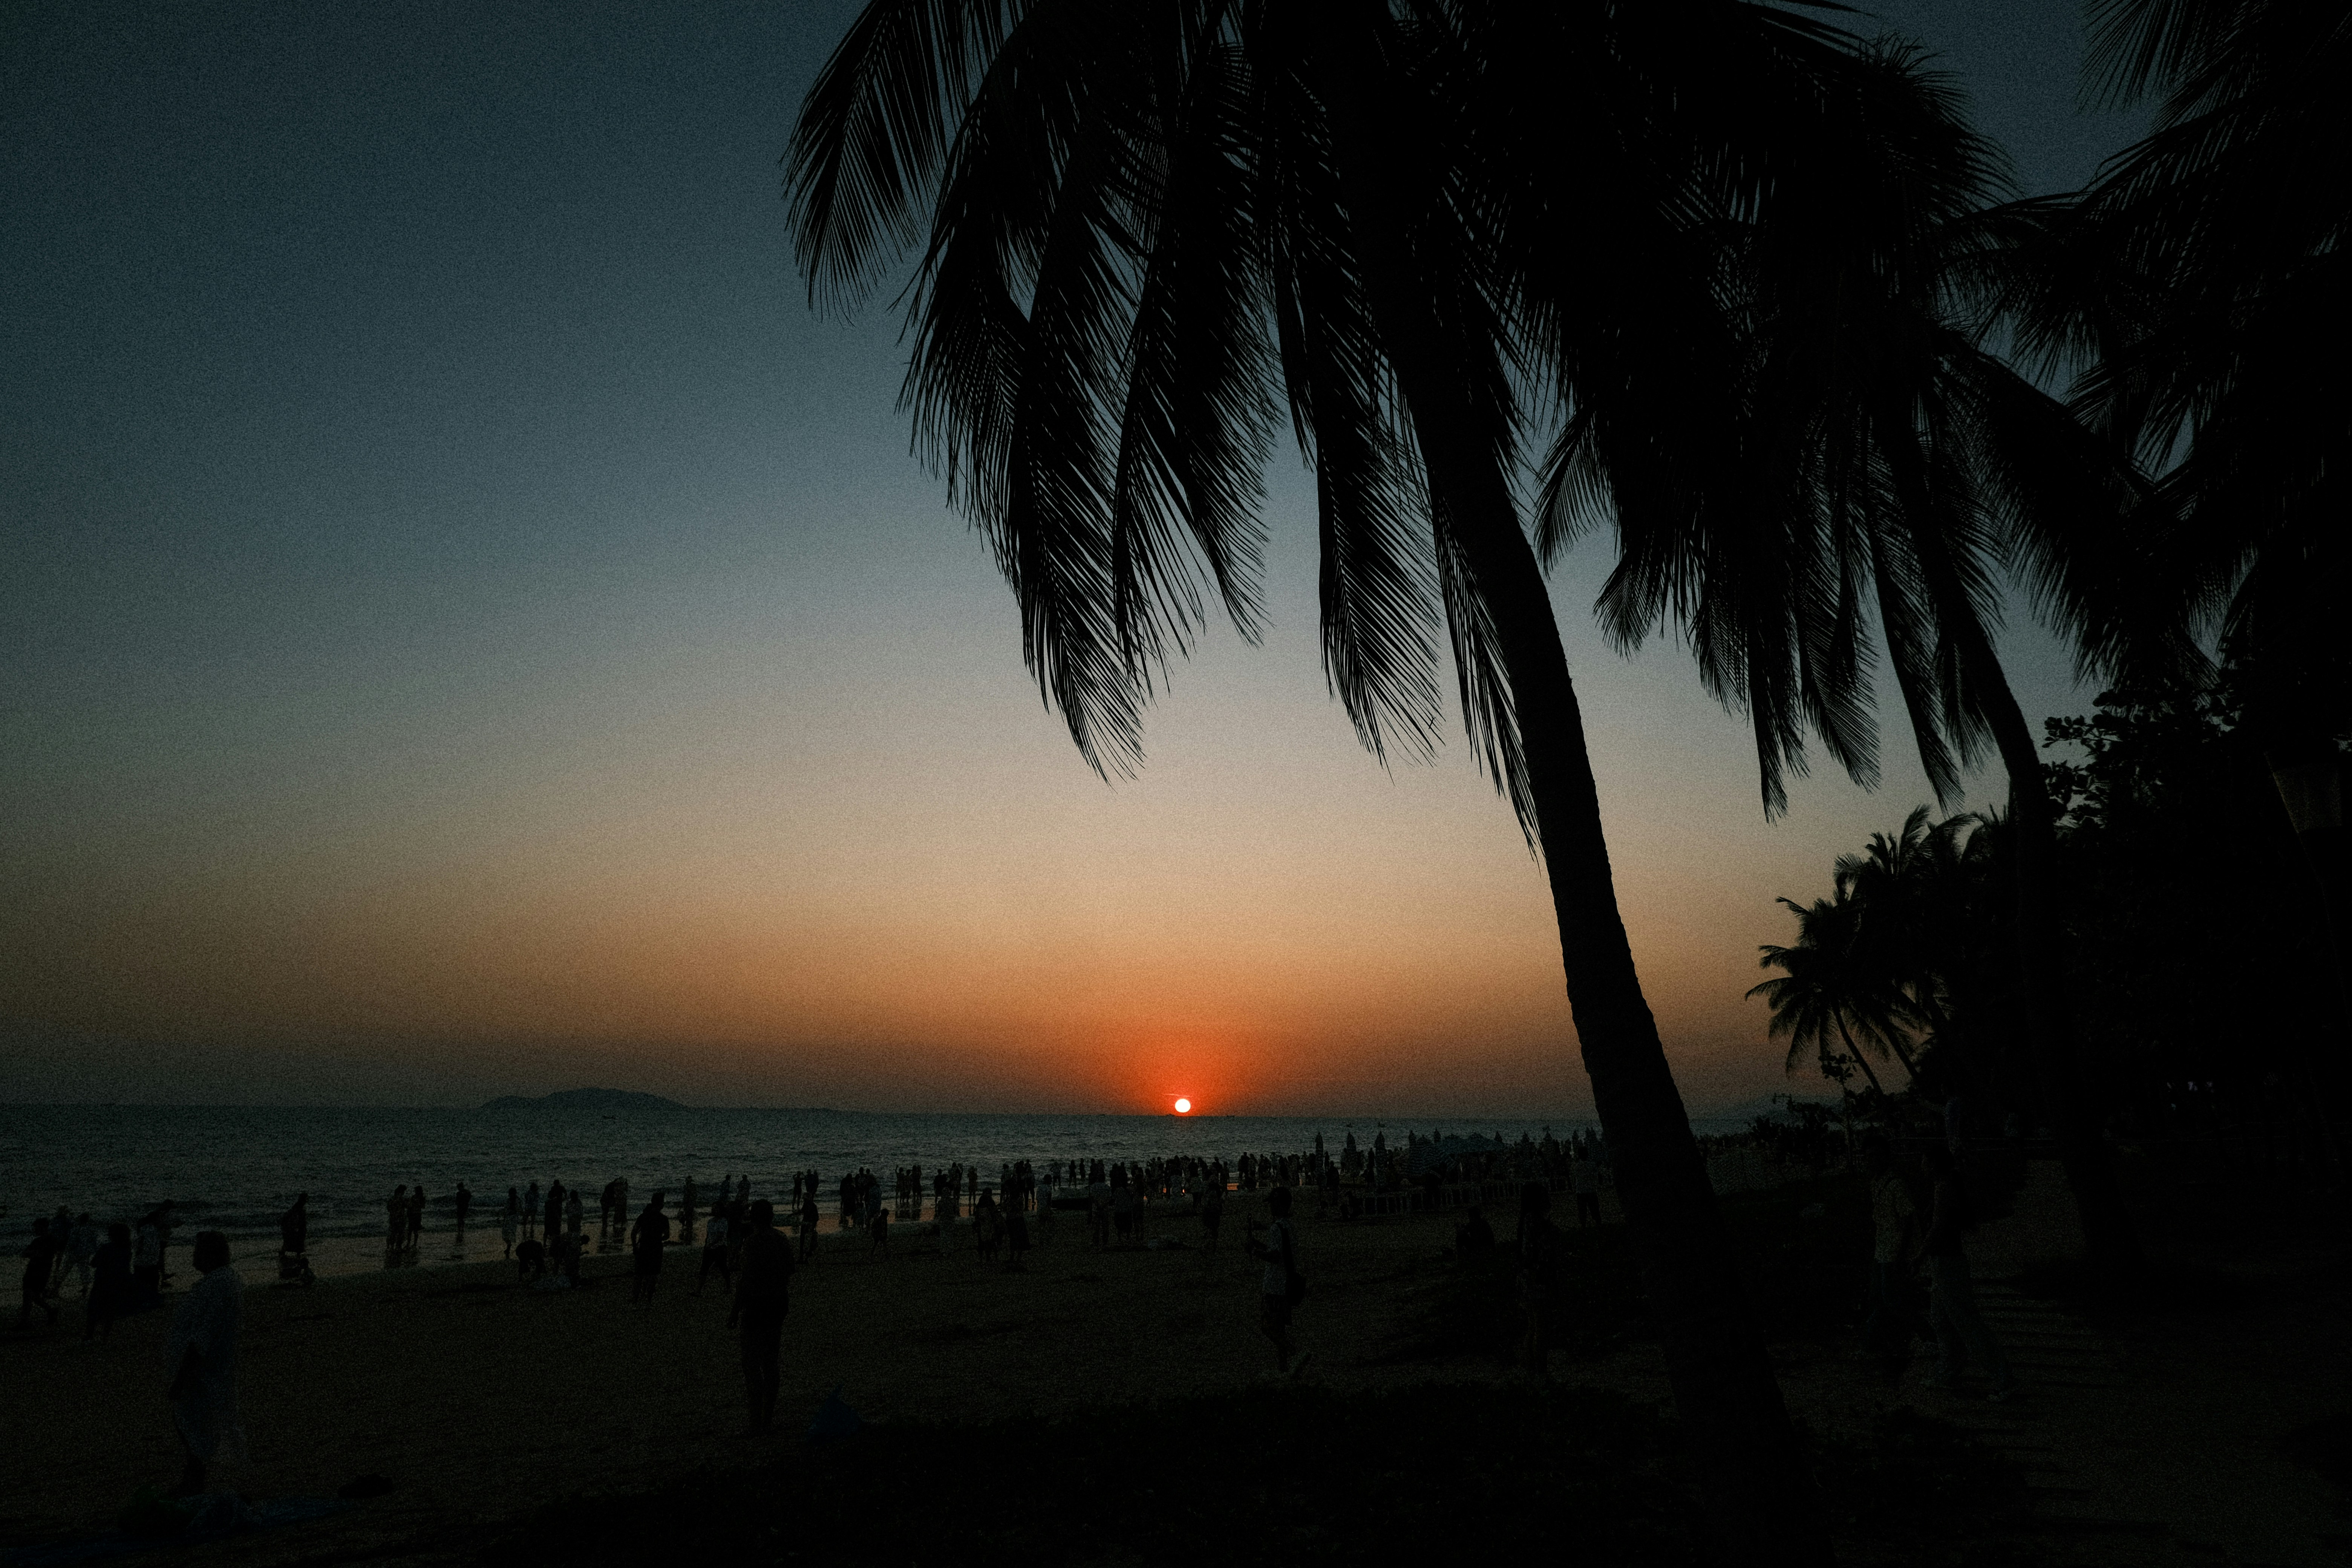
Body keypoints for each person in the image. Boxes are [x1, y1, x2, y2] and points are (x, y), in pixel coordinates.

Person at [1917, 1144, 2015, 1400]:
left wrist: (1918, 1256)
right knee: (1942, 1320)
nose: (1921, 1166)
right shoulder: (1945, 1185)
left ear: (1934, 1164)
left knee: (1967, 1324)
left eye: (1924, 1161)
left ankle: (2004, 1380)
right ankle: (1948, 1372)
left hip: (1948, 1265)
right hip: (1944, 1264)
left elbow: (1938, 1228)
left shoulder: (1943, 1187)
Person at [165, 1232, 247, 1497]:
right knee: (196, 1426)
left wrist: (183, 1377)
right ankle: (195, 1480)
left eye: (197, 1251)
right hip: (206, 1370)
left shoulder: (219, 1285)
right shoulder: (221, 1282)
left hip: (204, 1373)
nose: (193, 1257)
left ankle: (197, 1482)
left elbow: (203, 1336)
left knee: (198, 1427)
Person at [729, 1200, 794, 1435]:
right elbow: (789, 1270)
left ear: (753, 1218)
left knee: (751, 1365)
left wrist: (736, 1310)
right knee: (770, 1361)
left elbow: (745, 1280)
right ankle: (767, 1418)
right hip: (777, 1303)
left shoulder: (752, 1243)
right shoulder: (781, 1239)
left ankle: (756, 1421)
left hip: (757, 1306)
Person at [1859, 1136, 1917, 1369]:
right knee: (1881, 1300)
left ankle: (1926, 1336)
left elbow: (1908, 1219)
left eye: (1874, 1156)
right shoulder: (1877, 1184)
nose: (1869, 1160)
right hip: (1882, 1252)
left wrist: (1901, 1255)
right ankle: (1870, 1345)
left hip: (1892, 1254)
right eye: (1867, 1156)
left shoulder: (1895, 1185)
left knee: (1891, 1301)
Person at [1245, 1186, 1304, 1374]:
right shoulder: (1289, 1226)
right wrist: (1257, 1245)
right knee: (1280, 1328)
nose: (1270, 1207)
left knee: (1268, 1326)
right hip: (1286, 1283)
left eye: (1273, 1203)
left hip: (1274, 1285)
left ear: (1279, 1205)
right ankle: (1284, 1368)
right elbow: (1279, 1252)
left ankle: (1294, 1352)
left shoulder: (1276, 1228)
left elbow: (1275, 1257)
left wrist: (1255, 1252)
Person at [1514, 1184, 1559, 1375]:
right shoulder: (1534, 1221)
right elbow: (1537, 1252)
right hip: (1536, 1277)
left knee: (1534, 1324)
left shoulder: (1529, 1220)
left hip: (1530, 1277)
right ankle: (1540, 1369)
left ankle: (1531, 1368)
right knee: (1540, 1325)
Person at [86, 1222, 131, 1339]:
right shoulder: (127, 1249)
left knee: (94, 1308)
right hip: (117, 1282)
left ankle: (89, 1335)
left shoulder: (107, 1248)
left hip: (102, 1282)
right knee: (110, 1309)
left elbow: (94, 1263)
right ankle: (105, 1334)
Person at [18, 1217, 62, 1329]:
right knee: (33, 1296)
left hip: (42, 1271)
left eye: (37, 1227)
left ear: (43, 1227)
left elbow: (46, 1254)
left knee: (30, 1294)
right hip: (33, 1270)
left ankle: (25, 1320)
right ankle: (50, 1311)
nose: (35, 1229)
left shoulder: (51, 1240)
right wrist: (35, 1253)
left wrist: (34, 1253)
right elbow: (24, 1254)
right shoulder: (38, 1241)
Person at [630, 1192, 669, 1306]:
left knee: (639, 1276)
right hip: (656, 1248)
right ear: (662, 1205)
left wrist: (634, 1246)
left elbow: (633, 1233)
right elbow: (667, 1236)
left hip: (643, 1247)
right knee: (652, 1276)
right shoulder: (664, 1219)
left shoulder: (643, 1216)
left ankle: (635, 1302)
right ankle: (648, 1301)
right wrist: (659, 1238)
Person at [698, 1205, 733, 1295]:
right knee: (704, 1268)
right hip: (710, 1247)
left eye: (716, 1209)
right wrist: (706, 1245)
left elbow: (721, 1235)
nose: (714, 1210)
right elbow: (709, 1235)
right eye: (713, 1209)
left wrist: (711, 1245)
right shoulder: (710, 1222)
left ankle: (728, 1287)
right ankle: (699, 1290)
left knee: (723, 1267)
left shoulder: (723, 1221)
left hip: (720, 1248)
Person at [66, 1213, 98, 1298]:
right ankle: (86, 1288)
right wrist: (93, 1251)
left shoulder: (76, 1229)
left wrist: (69, 1250)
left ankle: (56, 1288)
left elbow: (72, 1242)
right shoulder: (90, 1230)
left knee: (66, 1270)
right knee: (84, 1271)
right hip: (85, 1253)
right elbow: (94, 1242)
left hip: (74, 1253)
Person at [1570, 1153, 1602, 1228]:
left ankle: (1584, 1225)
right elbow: (1599, 1174)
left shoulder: (1576, 1166)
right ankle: (1599, 1224)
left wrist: (1574, 1188)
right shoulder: (1592, 1165)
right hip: (1591, 1190)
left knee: (1582, 1210)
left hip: (1581, 1191)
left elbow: (1573, 1177)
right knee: (1595, 1209)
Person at [502, 1188, 520, 1260]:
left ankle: (508, 1247)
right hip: (513, 1218)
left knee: (507, 1233)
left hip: (511, 1218)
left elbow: (506, 1209)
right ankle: (509, 1246)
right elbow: (519, 1209)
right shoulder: (516, 1200)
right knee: (509, 1233)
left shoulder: (514, 1200)